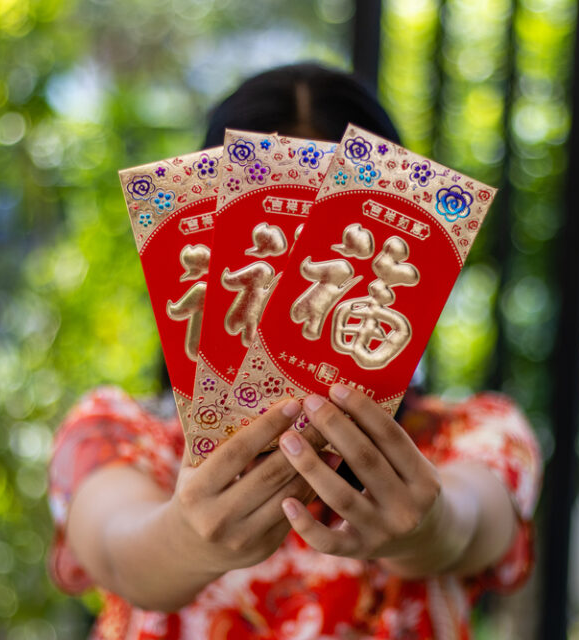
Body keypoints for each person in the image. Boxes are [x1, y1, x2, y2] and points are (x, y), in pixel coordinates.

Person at [47, 63, 542, 640]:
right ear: (203, 248)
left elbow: (470, 518)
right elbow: (119, 549)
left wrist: (425, 530)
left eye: (329, 230)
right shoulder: (121, 434)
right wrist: (184, 538)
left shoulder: (469, 437)